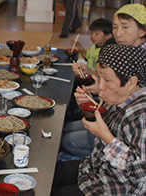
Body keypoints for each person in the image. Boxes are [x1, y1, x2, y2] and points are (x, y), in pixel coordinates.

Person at [52, 44, 146, 195]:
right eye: (99, 77)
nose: (100, 86)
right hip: (97, 168)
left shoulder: (141, 116)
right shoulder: (122, 98)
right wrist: (85, 107)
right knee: (52, 174)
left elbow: (139, 173)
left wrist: (106, 137)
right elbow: (105, 122)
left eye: (107, 80)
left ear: (131, 82)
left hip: (114, 188)